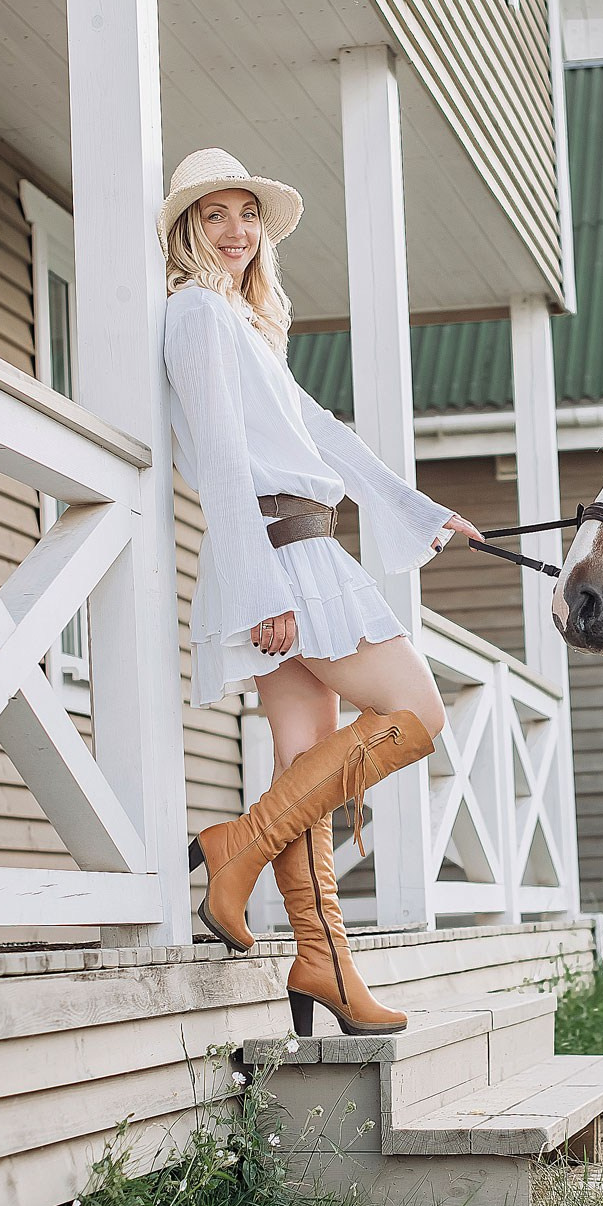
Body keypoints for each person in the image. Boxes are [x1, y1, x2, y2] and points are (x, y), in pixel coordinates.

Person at [159, 148, 480, 1037]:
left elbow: (326, 438)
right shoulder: (194, 314)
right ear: (188, 229)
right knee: (417, 712)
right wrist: (263, 586)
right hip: (277, 552)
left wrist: (422, 510)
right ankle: (239, 849)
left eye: (246, 215)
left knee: (307, 761)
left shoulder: (246, 327)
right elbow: (222, 456)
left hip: (293, 544)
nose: (234, 231)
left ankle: (324, 960)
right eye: (214, 216)